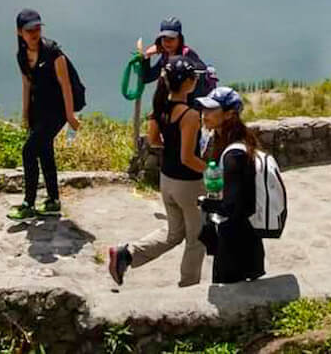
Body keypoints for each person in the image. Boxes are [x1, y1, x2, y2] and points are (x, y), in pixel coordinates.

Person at [108, 56, 206, 287]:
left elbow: (153, 140)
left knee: (174, 233)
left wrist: (171, 147)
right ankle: (189, 286)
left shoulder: (159, 108)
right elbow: (188, 158)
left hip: (167, 181)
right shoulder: (189, 115)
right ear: (189, 82)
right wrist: (215, 171)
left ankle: (126, 254)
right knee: (196, 239)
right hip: (188, 185)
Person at [9, 9, 80, 220]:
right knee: (44, 151)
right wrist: (25, 114)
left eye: (37, 28)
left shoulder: (53, 52)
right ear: (19, 32)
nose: (34, 33)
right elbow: (26, 85)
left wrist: (70, 116)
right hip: (38, 109)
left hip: (57, 110)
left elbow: (65, 85)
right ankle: (53, 201)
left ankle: (28, 203)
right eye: (29, 30)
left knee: (28, 151)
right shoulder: (21, 55)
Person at [196, 86, 265, 284]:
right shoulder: (231, 143)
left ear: (229, 115)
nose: (204, 114)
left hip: (236, 241)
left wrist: (206, 203)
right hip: (244, 236)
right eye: (204, 110)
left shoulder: (233, 154)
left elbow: (233, 206)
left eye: (210, 110)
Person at [139, 18, 215, 99]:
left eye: (171, 38)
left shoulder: (188, 56)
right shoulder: (165, 57)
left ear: (180, 39)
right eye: (164, 38)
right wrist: (147, 56)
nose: (167, 42)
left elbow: (200, 76)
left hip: (194, 102)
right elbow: (147, 78)